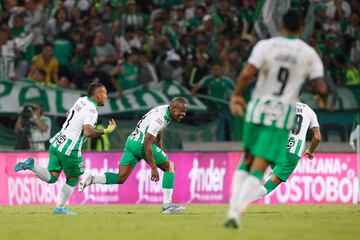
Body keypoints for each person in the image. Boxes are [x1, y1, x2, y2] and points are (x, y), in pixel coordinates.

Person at [225, 9, 328, 229]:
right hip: (280, 116)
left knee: (247, 160)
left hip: (258, 108)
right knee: (260, 168)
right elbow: (322, 87)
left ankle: (233, 205)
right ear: (301, 29)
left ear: (281, 26)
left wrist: (235, 95)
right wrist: (323, 97)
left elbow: (246, 74)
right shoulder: (309, 53)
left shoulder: (265, 46)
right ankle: (236, 209)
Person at [14, 83, 117, 215]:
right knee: (73, 178)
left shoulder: (82, 100)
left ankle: (32, 165)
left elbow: (69, 113)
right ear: (98, 95)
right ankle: (60, 208)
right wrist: (106, 131)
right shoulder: (92, 110)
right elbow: (87, 132)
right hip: (70, 148)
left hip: (58, 141)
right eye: (105, 93)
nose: (106, 96)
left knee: (51, 178)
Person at [78, 98, 188, 213]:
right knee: (170, 166)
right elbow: (147, 142)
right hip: (141, 144)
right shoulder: (160, 119)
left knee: (121, 177)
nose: (183, 115)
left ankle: (93, 179)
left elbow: (158, 133)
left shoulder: (165, 110)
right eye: (182, 112)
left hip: (131, 142)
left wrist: (160, 150)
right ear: (174, 109)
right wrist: (154, 167)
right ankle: (167, 205)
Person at [254, 102, 322, 200]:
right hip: (293, 151)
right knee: (268, 186)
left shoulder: (281, 106)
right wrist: (310, 151)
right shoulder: (309, 112)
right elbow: (317, 137)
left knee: (263, 171)